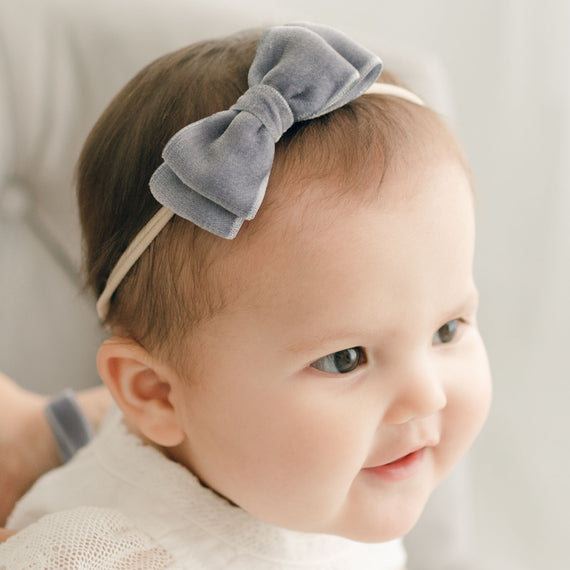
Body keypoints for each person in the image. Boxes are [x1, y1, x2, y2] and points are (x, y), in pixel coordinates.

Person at [0, 22, 492, 569]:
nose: (427, 397)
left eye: (448, 330)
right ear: (157, 394)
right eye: (343, 359)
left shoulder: (340, 488)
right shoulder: (97, 556)